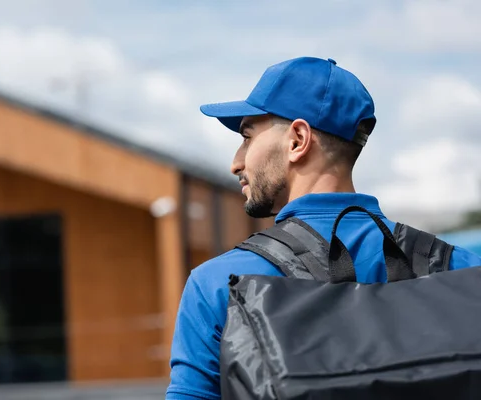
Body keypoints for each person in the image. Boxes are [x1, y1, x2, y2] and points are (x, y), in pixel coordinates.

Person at [165, 56, 481, 400]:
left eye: (247, 136)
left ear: (298, 139)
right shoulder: (461, 271)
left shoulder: (217, 284)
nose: (236, 162)